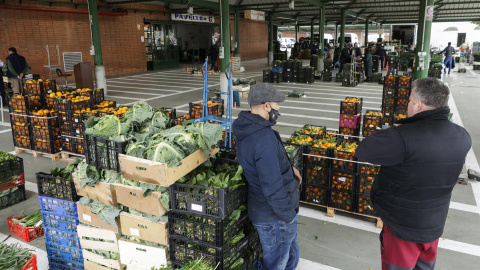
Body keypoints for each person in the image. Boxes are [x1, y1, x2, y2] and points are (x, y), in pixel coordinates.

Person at [355, 78, 471, 270]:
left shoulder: (402, 137)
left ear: (418, 105)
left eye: (409, 100)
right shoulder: (462, 136)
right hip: (433, 225)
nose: (408, 104)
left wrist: (397, 127)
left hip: (402, 227)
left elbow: (363, 150)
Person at [232, 83, 301, 270]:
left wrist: (289, 169)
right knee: (277, 264)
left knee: (291, 255)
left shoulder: (249, 128)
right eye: (276, 104)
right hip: (275, 218)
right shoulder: (263, 138)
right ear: (266, 106)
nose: (278, 108)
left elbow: (263, 165)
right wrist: (288, 217)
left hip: (268, 212)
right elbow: (271, 188)